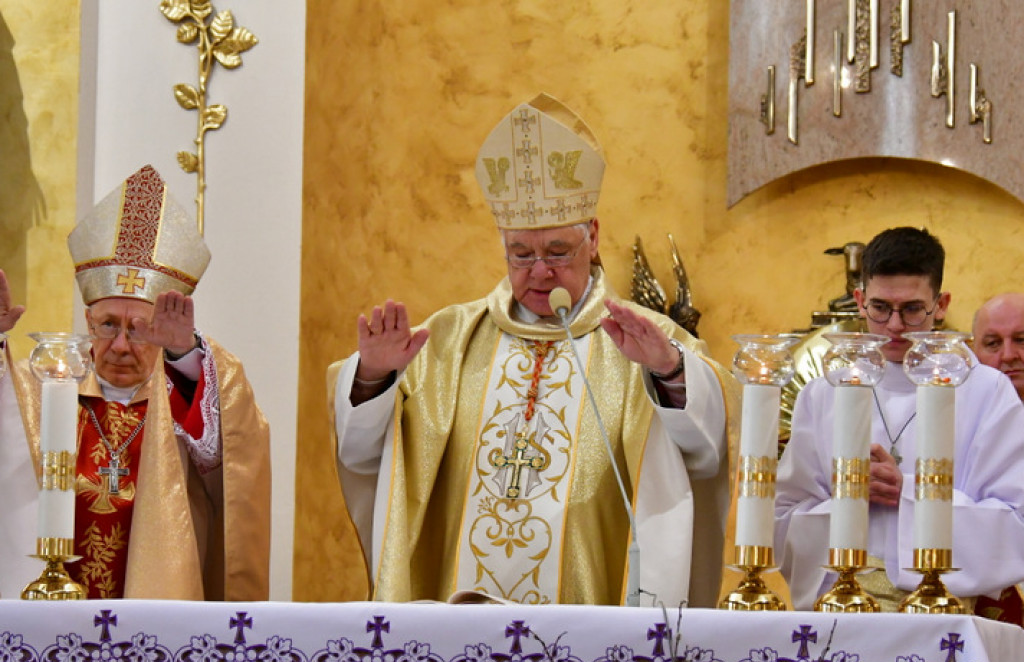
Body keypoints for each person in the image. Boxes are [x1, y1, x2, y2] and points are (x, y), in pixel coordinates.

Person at [329, 94, 738, 607]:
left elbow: (707, 452)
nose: (540, 271)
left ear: (592, 237)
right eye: (520, 254)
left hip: (593, 615)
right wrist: (372, 377)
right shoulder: (448, 339)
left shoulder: (644, 339)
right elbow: (366, 457)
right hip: (458, 621)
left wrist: (670, 372)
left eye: (557, 253)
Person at [0, 165, 271, 600]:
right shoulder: (52, 386)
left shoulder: (189, 391)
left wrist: (184, 358)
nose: (122, 345)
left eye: (139, 329)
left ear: (164, 329)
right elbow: (9, 440)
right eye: (108, 325)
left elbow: (233, 465)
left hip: (158, 601)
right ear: (88, 321)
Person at [775, 226, 1024, 613]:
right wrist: (848, 498)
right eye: (879, 308)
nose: (894, 326)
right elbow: (784, 519)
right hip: (841, 610)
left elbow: (1015, 525)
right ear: (859, 300)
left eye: (911, 309)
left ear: (940, 304)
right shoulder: (824, 393)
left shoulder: (986, 391)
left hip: (947, 615)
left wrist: (909, 494)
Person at [972, 292, 1024, 401]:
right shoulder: (956, 413)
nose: (1008, 356)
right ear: (974, 354)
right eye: (993, 343)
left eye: (1021, 340)